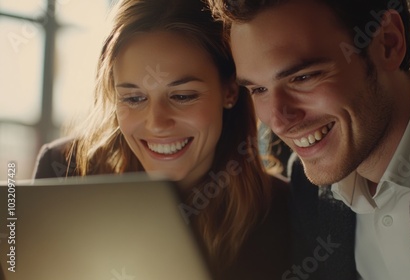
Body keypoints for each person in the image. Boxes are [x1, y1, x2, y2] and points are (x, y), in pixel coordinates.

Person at [207, 0, 410, 279]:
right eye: (258, 90)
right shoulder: (305, 186)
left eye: (303, 78)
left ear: (388, 42)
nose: (278, 120)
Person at [32, 0, 291, 278]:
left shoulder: (286, 209)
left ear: (229, 91)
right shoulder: (63, 171)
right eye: (134, 98)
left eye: (182, 96)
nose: (156, 123)